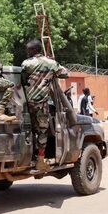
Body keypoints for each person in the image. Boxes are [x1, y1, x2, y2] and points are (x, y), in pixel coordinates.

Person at [21, 40, 68, 171]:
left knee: (29, 130)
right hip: (42, 104)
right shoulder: (51, 63)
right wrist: (52, 64)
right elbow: (65, 73)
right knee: (42, 131)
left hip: (26, 104)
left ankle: (31, 157)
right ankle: (40, 160)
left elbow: (23, 79)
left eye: (29, 50)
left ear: (34, 50)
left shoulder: (26, 63)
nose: (28, 52)